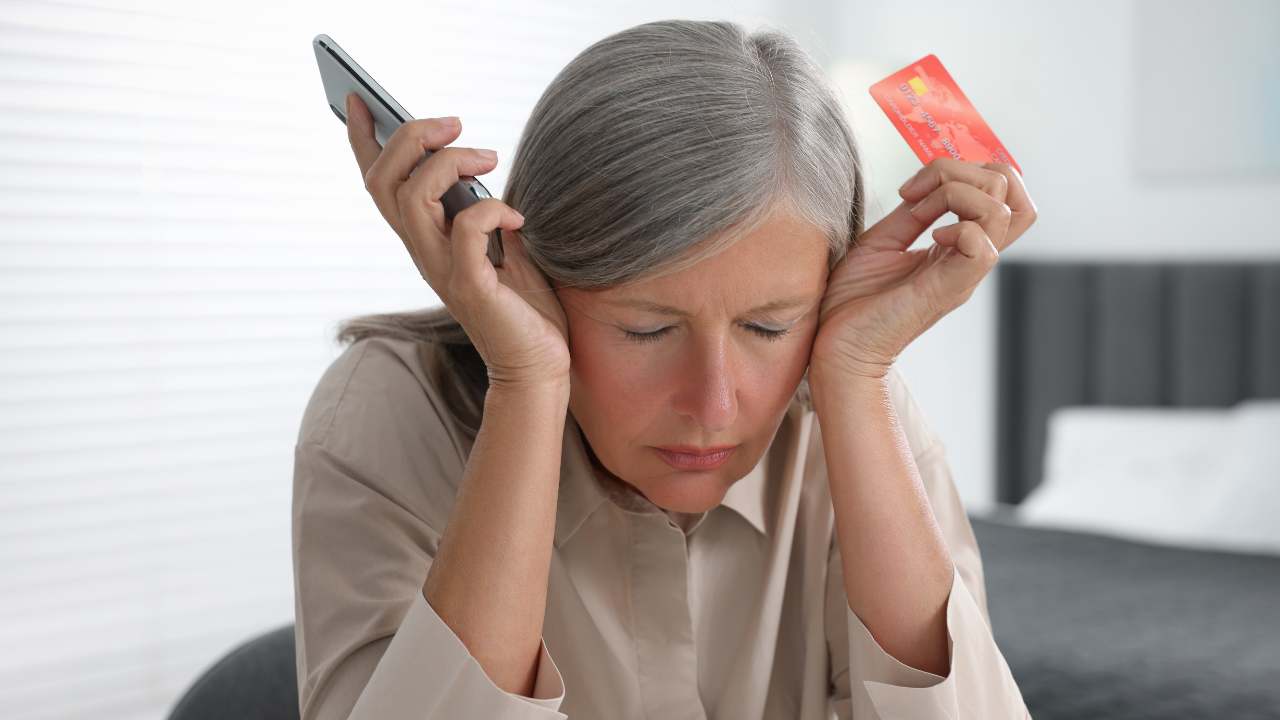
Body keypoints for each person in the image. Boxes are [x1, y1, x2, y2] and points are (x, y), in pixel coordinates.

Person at [291, 18, 1037, 720]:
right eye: (646, 330)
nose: (713, 406)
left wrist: (857, 376)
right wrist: (527, 383)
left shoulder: (854, 399)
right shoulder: (390, 407)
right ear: (530, 277)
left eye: (769, 326)